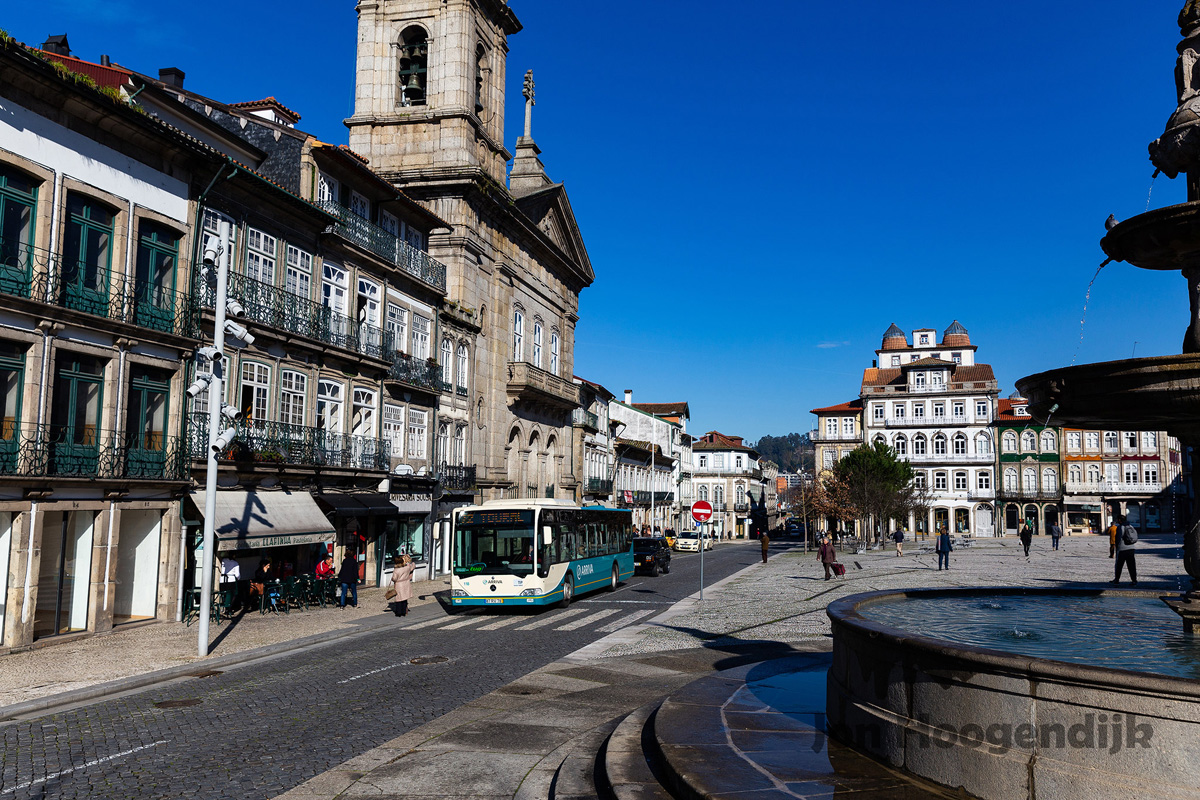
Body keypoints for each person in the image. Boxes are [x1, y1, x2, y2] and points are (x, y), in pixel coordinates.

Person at [1111, 514, 1138, 586]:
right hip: (1131, 548)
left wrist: (1116, 547)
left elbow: (1118, 538)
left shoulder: (1120, 527)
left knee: (1119, 565)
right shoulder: (1130, 526)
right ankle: (1134, 580)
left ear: (1120, 520)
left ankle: (1117, 579)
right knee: (1131, 565)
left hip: (1122, 549)